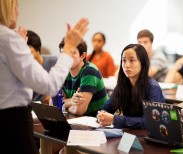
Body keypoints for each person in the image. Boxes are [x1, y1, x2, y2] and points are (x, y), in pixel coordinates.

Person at [0, 0, 89, 153]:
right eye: (16, 6)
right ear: (7, 7)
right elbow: (49, 86)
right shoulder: (7, 38)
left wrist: (20, 50)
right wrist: (68, 48)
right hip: (13, 122)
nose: (18, 12)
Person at [97, 44, 165, 129]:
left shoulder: (152, 87)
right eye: (124, 60)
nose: (127, 65)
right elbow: (106, 109)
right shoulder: (122, 85)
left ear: (143, 63)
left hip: (147, 136)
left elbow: (152, 121)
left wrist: (115, 119)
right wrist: (102, 116)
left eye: (132, 60)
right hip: (129, 135)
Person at [59, 39, 109, 117]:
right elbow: (53, 104)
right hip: (77, 120)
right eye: (64, 53)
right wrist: (72, 101)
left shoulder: (89, 71)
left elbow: (79, 110)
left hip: (98, 121)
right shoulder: (62, 71)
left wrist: (64, 105)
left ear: (82, 56)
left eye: (72, 53)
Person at [27, 30, 58, 104]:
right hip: (30, 106)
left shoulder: (54, 61)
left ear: (37, 47)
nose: (26, 51)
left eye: (29, 47)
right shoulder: (24, 67)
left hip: (48, 106)